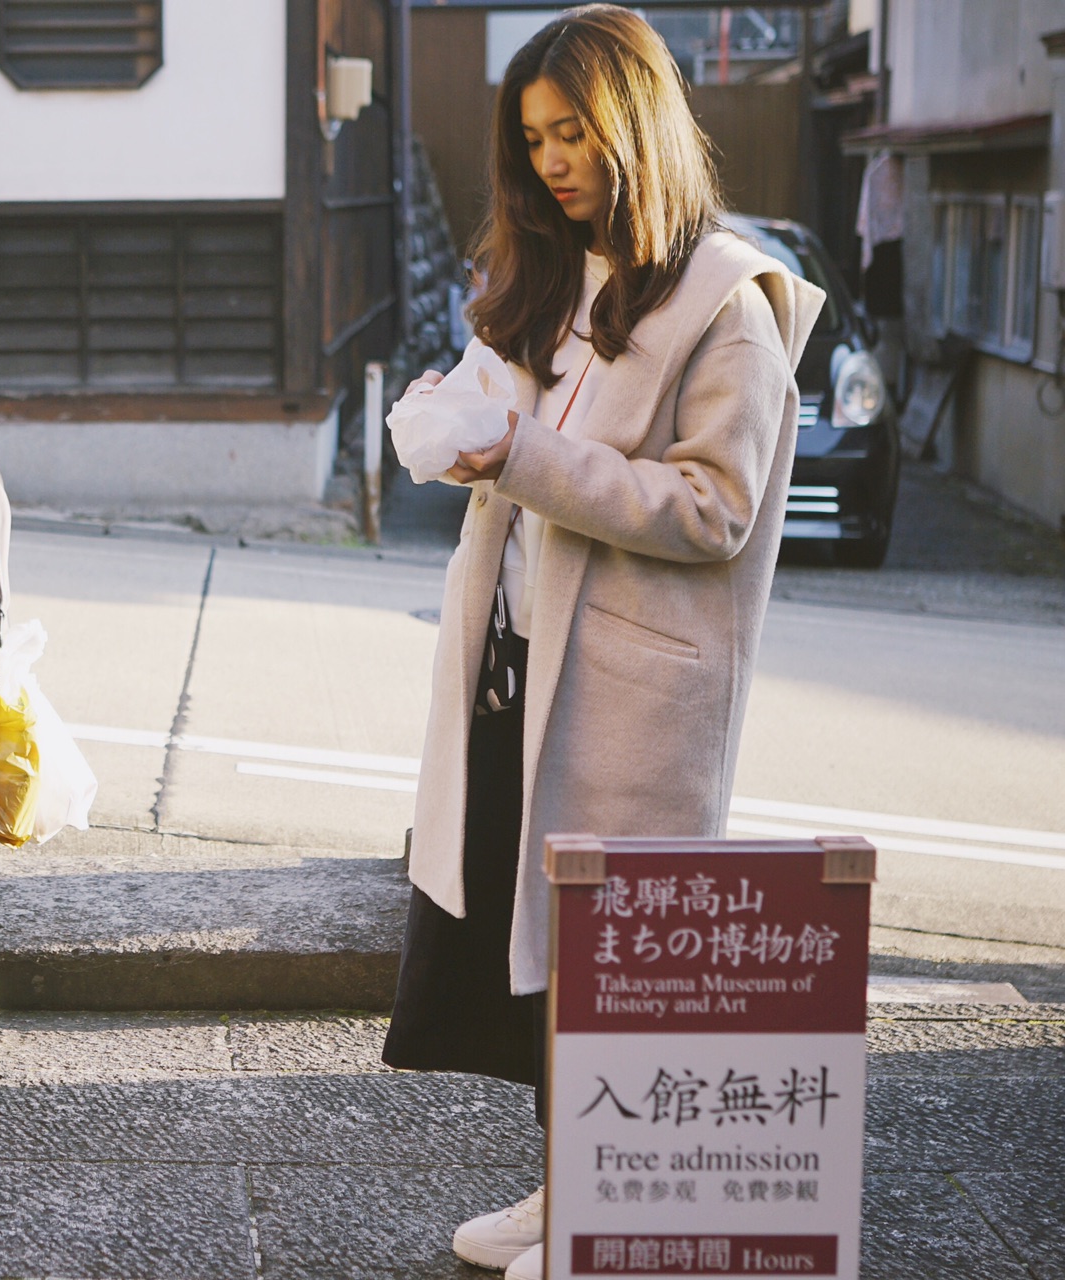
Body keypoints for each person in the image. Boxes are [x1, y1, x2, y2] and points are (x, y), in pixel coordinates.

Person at [379, 8, 824, 1279]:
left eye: (574, 131)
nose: (555, 159)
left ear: (636, 123)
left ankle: (609, 1215)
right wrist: (453, 416)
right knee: (532, 946)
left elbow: (713, 507)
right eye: (535, 138)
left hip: (631, 684)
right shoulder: (563, 272)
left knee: (609, 955)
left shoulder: (727, 298)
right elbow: (508, 421)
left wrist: (518, 452)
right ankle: (571, 1184)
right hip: (519, 658)